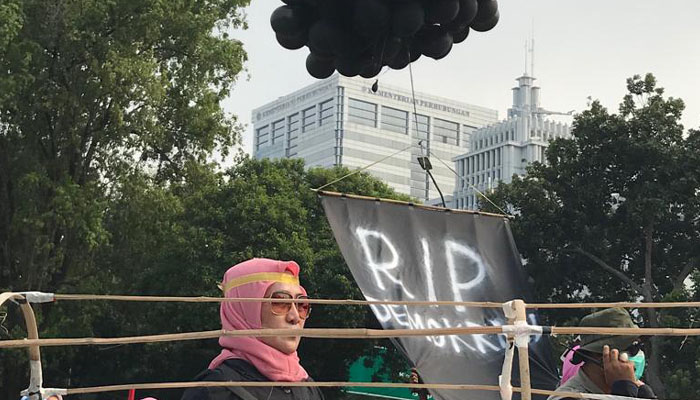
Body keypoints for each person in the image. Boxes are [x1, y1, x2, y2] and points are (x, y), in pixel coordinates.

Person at [182, 258, 324, 400]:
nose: (294, 317)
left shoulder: (308, 389)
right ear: (245, 309)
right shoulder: (216, 391)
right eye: (280, 302)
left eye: (301, 305)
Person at [548, 308, 656, 400]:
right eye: (631, 349)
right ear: (600, 356)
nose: (635, 356)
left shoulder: (633, 391)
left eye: (637, 347)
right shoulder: (568, 397)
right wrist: (624, 394)